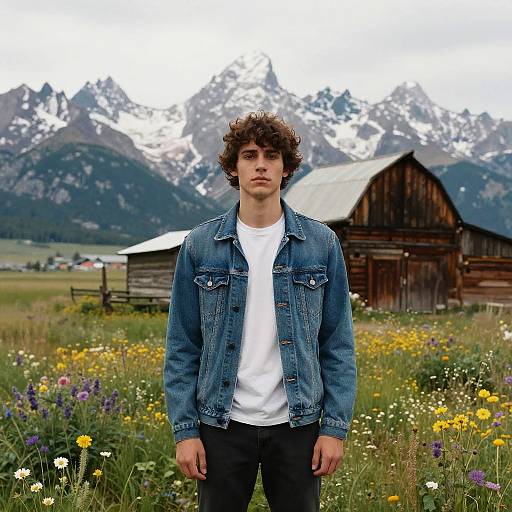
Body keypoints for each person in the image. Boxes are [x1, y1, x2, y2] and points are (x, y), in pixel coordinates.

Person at [163, 111, 357, 512]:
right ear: (234, 167)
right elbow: (182, 347)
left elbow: (338, 345)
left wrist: (334, 429)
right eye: (250, 155)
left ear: (286, 168)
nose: (261, 164)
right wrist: (185, 432)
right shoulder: (200, 246)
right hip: (221, 424)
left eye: (271, 155)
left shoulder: (321, 244)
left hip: (297, 424)